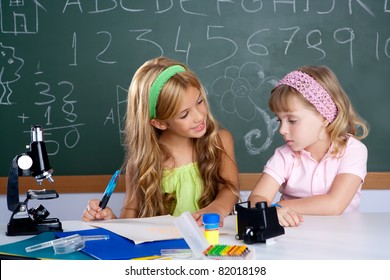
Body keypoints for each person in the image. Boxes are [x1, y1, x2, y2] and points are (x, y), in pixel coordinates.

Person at [82, 57, 239, 225]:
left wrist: (217, 208)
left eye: (199, 101)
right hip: (162, 249)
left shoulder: (219, 141)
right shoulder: (141, 163)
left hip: (211, 243)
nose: (200, 116)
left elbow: (230, 190)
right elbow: (129, 220)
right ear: (160, 123)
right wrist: (109, 219)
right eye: (184, 114)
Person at [249, 65, 369, 227]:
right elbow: (256, 199)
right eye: (279, 120)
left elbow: (334, 204)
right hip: (295, 238)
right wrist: (265, 206)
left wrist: (277, 207)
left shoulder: (353, 150)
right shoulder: (284, 156)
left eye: (292, 120)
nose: (282, 130)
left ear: (324, 117)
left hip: (343, 239)